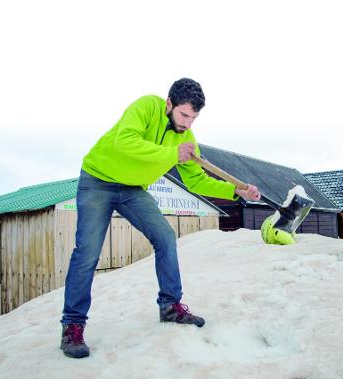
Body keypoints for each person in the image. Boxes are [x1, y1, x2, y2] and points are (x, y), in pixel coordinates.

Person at [60, 78, 261, 358]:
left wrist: (236, 190)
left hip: (132, 190)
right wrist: (171, 152)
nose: (188, 124)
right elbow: (125, 142)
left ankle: (170, 306)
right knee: (88, 253)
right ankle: (72, 325)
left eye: (194, 118)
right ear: (169, 103)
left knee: (165, 238)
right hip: (98, 180)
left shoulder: (186, 139)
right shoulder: (146, 106)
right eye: (184, 115)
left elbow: (197, 182)